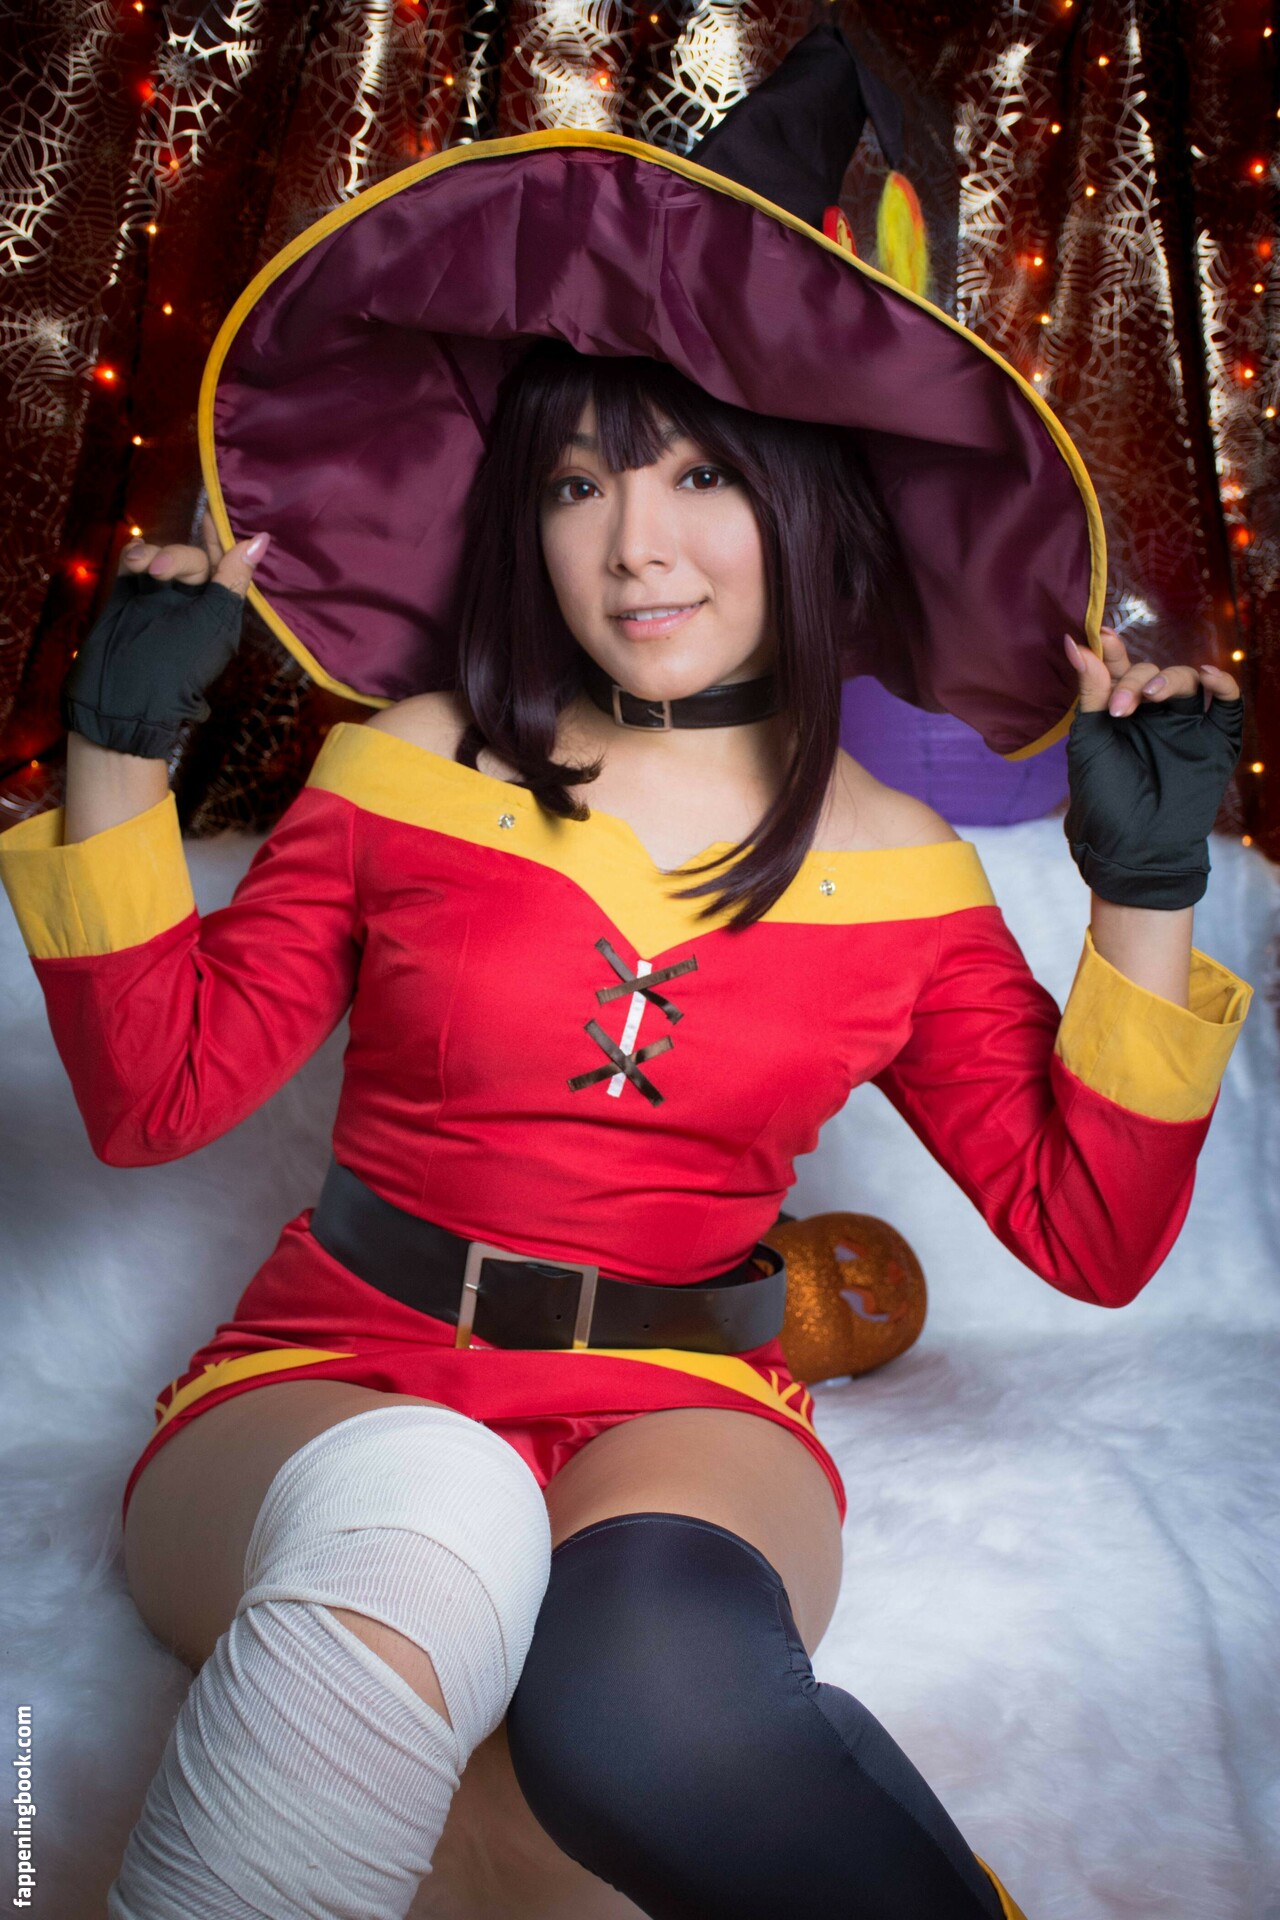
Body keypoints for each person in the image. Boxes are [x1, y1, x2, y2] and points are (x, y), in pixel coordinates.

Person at [0, 26, 1252, 1920]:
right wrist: (115, 762)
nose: (635, 547)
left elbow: (1091, 1238)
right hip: (330, 1368)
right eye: (579, 485)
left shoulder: (904, 874)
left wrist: (1147, 897)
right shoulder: (405, 763)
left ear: (810, 499)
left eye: (700, 477)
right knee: (432, 1523)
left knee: (643, 1742)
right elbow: (151, 1096)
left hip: (682, 1412)